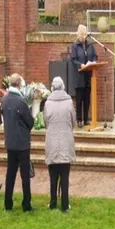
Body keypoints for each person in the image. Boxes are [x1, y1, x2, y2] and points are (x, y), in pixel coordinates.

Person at [2, 73, 34, 212]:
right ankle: (26, 204)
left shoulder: (5, 99)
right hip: (22, 143)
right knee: (25, 175)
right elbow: (30, 122)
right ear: (19, 84)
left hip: (10, 142)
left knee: (10, 173)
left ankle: (8, 203)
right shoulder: (21, 102)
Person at [44, 77, 76, 212]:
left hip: (52, 142)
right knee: (65, 176)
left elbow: (46, 122)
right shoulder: (69, 102)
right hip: (66, 141)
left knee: (53, 176)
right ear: (63, 87)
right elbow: (73, 121)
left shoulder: (47, 103)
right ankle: (65, 204)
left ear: (52, 87)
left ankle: (52, 203)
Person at [71, 24, 98, 127]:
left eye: (85, 33)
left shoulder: (90, 45)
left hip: (88, 76)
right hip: (79, 77)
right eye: (83, 33)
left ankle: (86, 119)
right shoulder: (75, 45)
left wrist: (94, 62)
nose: (84, 35)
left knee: (87, 99)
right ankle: (79, 120)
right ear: (79, 34)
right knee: (79, 100)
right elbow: (73, 59)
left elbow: (95, 56)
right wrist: (81, 64)